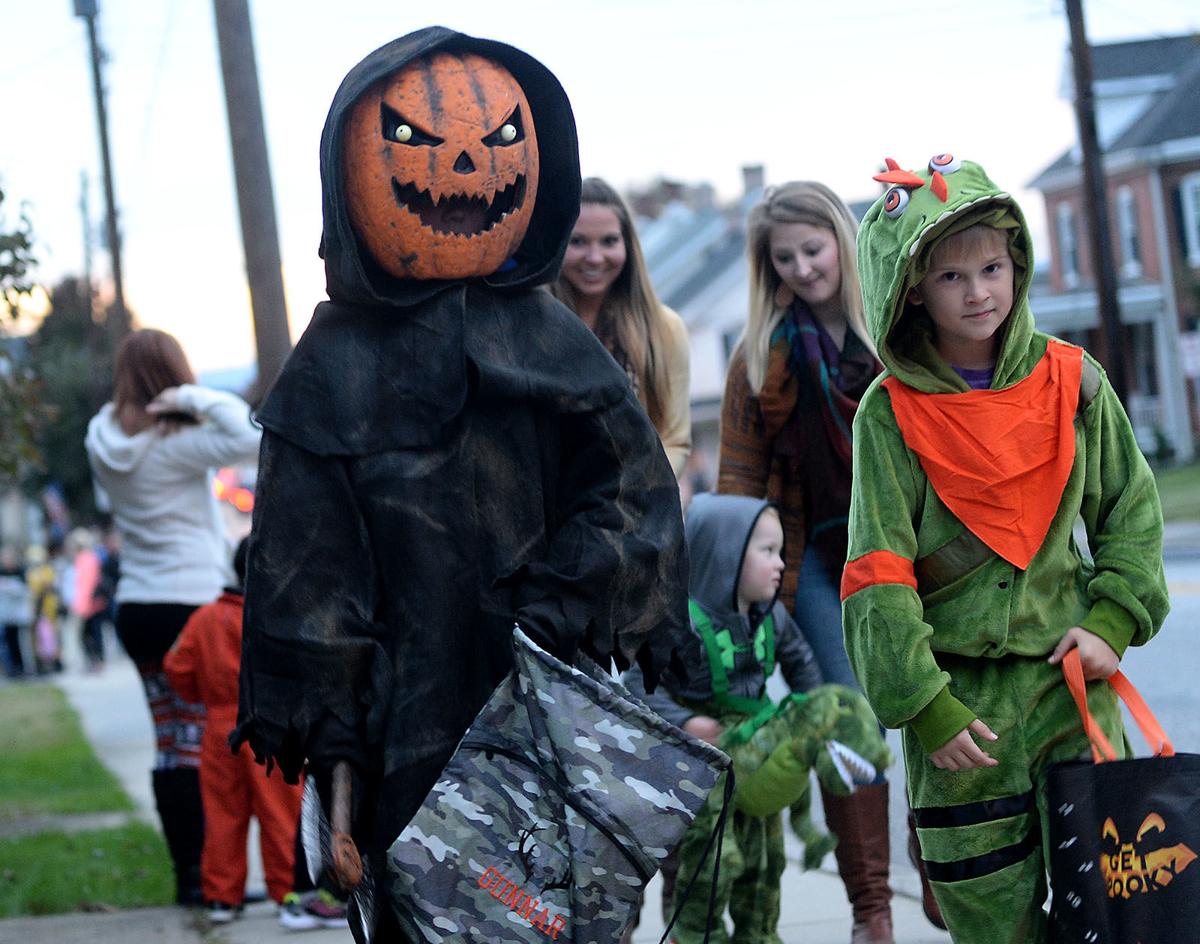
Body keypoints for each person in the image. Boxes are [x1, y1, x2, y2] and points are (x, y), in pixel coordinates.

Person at [233, 28, 688, 944]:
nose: (466, 159)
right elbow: (305, 571)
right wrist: (337, 742)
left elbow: (633, 492)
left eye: (497, 135)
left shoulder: (554, 342)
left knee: (554, 910)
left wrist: (556, 605)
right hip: (406, 708)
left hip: (542, 690)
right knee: (428, 916)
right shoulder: (332, 367)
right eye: (412, 138)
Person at [843, 154, 1170, 943]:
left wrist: (1112, 623)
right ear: (911, 288)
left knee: (1112, 913)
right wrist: (924, 704)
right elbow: (878, 573)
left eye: (993, 267)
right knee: (991, 921)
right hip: (964, 721)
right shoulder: (888, 416)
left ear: (1018, 262)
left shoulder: (1074, 381)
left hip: (1071, 690)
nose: (980, 291)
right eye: (953, 277)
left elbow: (1131, 511)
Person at [717, 181, 903, 942]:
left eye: (813, 249)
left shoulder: (900, 330)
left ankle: (942, 867)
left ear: (843, 242)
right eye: (783, 257)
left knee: (939, 715)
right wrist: (741, 582)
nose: (801, 267)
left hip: (912, 550)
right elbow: (736, 482)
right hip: (816, 562)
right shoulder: (761, 357)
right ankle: (873, 909)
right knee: (844, 717)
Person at [85, 328, 262, 906]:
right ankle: (216, 880)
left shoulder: (100, 439)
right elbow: (249, 434)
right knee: (205, 745)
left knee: (171, 744)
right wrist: (194, 397)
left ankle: (190, 875)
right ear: (173, 376)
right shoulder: (180, 445)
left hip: (137, 609)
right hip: (191, 607)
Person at [164, 538, 304, 924]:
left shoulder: (204, 619)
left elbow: (176, 668)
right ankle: (288, 893)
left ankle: (222, 899)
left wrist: (206, 697)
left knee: (223, 815)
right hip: (271, 728)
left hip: (220, 728)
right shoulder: (276, 617)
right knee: (280, 814)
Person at [551, 177, 691, 476]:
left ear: (628, 244)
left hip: (639, 499)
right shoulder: (534, 325)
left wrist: (639, 491)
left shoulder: (665, 329)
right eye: (578, 241)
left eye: (609, 241)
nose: (595, 257)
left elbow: (674, 438)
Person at [0, 547, 31, 677]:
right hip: (6, 615)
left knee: (21, 642)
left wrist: (10, 586)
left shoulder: (20, 572)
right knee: (8, 642)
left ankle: (23, 667)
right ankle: (11, 668)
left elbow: (25, 591)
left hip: (19, 615)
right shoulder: (2, 572)